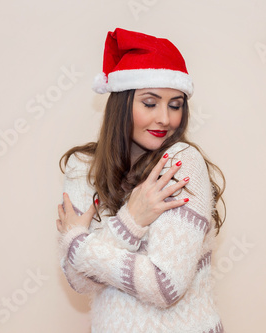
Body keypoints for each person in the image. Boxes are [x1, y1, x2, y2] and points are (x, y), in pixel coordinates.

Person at [56, 28, 226, 333]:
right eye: (150, 103)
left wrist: (79, 245)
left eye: (175, 104)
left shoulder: (181, 162)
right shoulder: (84, 168)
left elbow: (165, 286)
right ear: (121, 103)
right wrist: (132, 220)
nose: (165, 118)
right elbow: (78, 279)